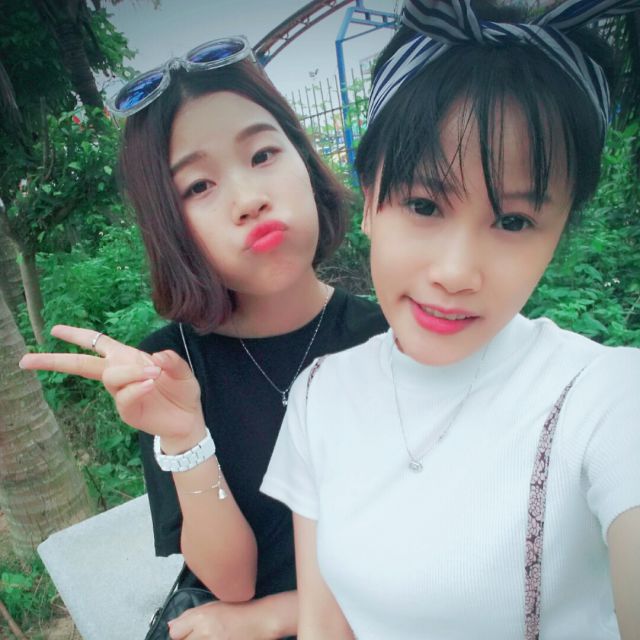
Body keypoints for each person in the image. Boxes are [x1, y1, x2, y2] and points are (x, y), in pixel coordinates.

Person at [260, 1, 640, 638]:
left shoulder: (606, 398)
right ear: (370, 200)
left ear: (558, 232)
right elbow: (325, 625)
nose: (457, 271)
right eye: (424, 204)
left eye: (513, 221)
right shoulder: (319, 396)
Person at [19, 36, 386, 639]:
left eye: (263, 155)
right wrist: (185, 436)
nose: (248, 200)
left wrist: (273, 617)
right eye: (198, 187)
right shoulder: (169, 368)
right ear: (171, 225)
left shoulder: (391, 340)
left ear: (303, 158)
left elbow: (440, 554)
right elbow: (232, 584)